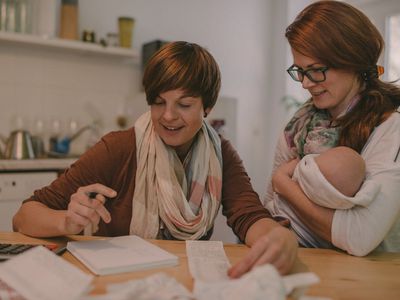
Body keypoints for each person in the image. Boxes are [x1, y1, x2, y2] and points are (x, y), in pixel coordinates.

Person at [13, 41, 297, 276]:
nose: (168, 116)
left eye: (184, 105)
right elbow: (25, 216)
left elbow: (248, 216)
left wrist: (278, 237)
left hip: (181, 281)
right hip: (114, 282)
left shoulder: (220, 153)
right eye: (158, 102)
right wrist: (66, 221)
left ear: (208, 107)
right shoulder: (119, 148)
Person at [264, 0, 400, 256]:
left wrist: (284, 182)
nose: (305, 83)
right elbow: (270, 209)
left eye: (316, 71)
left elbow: (359, 236)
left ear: (354, 61)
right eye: (299, 71)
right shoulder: (299, 125)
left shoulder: (390, 127)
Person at [268, 146, 382, 248]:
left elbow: (280, 176)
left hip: (277, 227)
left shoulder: (304, 172)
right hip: (312, 247)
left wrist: (283, 177)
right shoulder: (343, 201)